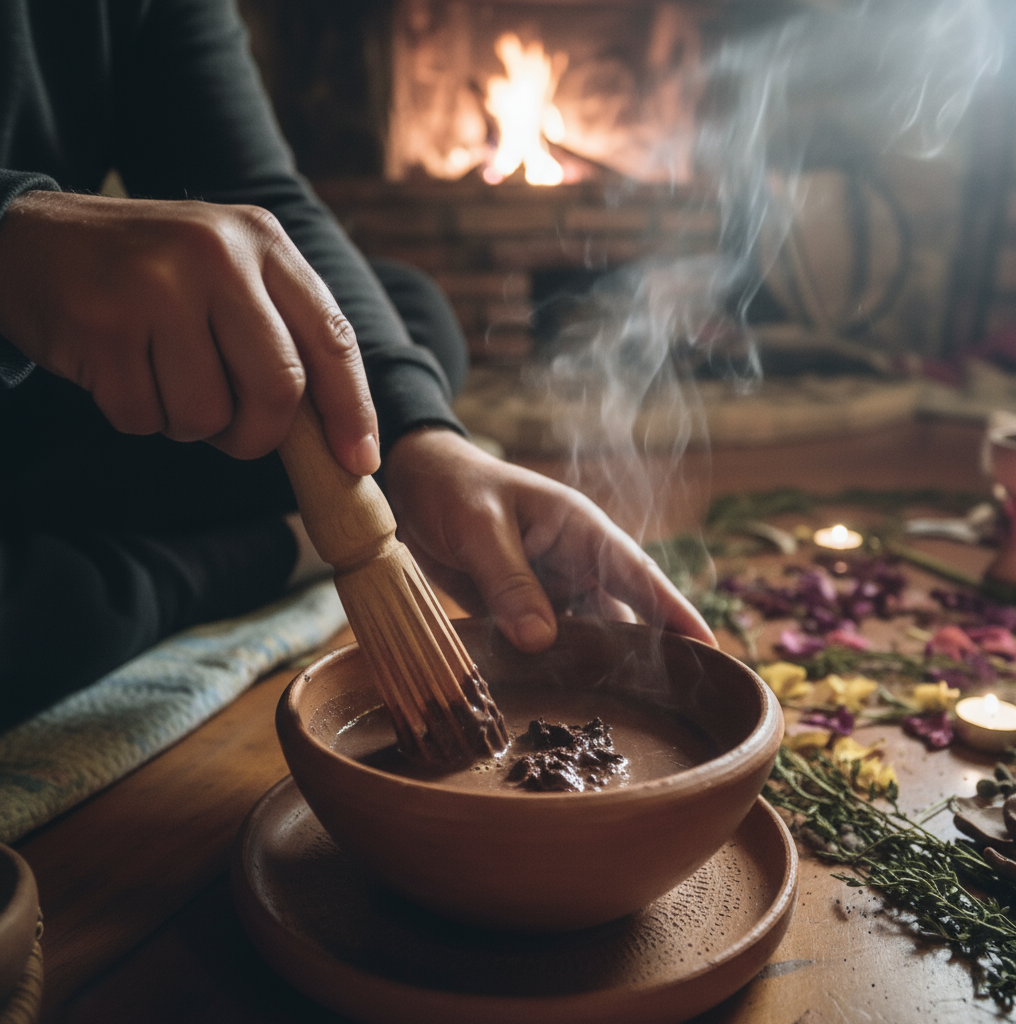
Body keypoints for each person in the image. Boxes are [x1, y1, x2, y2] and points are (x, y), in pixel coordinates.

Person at [0, 0, 713, 728]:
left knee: (411, 318)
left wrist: (422, 444)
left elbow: (257, 186)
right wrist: (15, 238)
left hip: (55, 391)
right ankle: (275, 550)